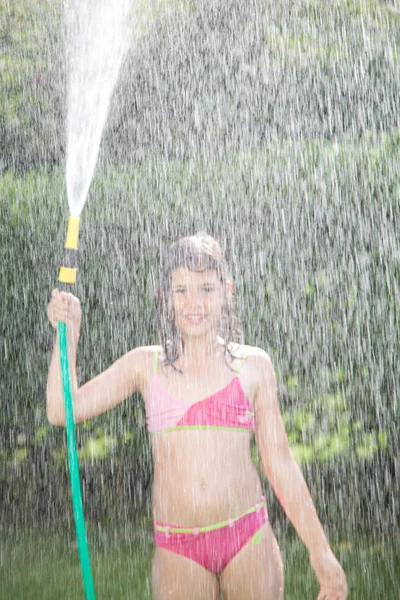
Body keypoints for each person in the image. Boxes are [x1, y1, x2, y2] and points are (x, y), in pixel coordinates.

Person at [47, 232, 348, 600]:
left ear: (227, 290)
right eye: (182, 290)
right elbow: (62, 410)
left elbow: (280, 464)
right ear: (165, 297)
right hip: (178, 546)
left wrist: (321, 552)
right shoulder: (146, 365)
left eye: (207, 288)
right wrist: (70, 334)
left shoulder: (252, 366)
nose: (195, 303)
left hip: (247, 535)